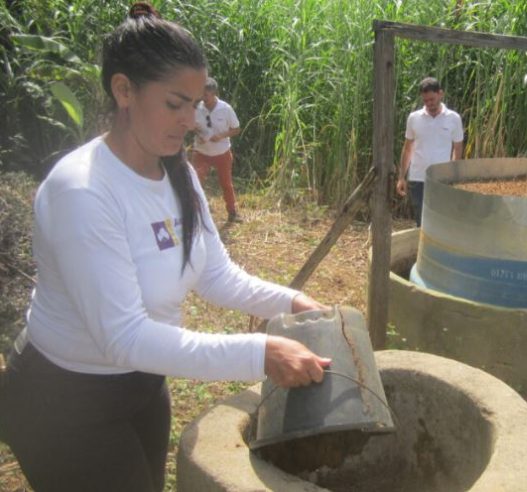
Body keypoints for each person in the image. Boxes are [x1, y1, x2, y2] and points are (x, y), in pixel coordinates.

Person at [0, 4, 330, 491]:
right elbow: (124, 337)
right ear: (124, 90)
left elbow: (216, 274)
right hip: (65, 399)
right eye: (176, 104)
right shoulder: (83, 191)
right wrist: (260, 352)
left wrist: (292, 302)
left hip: (143, 385)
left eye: (196, 105)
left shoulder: (175, 172)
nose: (191, 121)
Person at [396, 77, 464, 227]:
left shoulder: (454, 118)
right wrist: (401, 177)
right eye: (425, 100)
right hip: (418, 178)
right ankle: (423, 249)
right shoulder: (414, 118)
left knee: (441, 218)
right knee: (422, 220)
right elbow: (408, 148)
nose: (429, 104)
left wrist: (452, 173)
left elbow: (458, 147)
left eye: (432, 99)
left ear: (441, 94)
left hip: (441, 178)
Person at [191, 77, 242, 223]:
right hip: (201, 152)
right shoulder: (197, 108)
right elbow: (191, 126)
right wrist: (199, 134)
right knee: (194, 182)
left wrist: (221, 135)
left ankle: (232, 213)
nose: (203, 98)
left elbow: (236, 129)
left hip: (222, 153)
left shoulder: (225, 109)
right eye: (202, 94)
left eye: (206, 95)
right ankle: (193, 214)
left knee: (226, 184)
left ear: (214, 94)